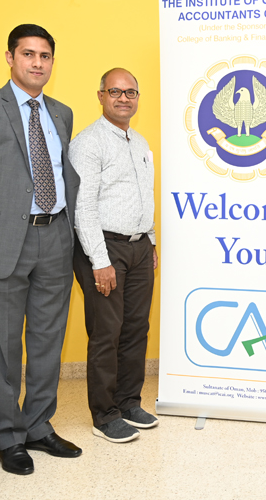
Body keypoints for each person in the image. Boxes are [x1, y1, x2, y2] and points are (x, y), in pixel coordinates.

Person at [0, 24, 82, 476]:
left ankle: (39, 425)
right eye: (28, 54)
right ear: (10, 58)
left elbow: (62, 174)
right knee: (4, 346)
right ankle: (8, 436)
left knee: (48, 339)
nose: (37, 63)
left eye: (45, 56)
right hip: (4, 243)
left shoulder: (61, 113)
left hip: (55, 237)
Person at [70, 68, 158, 443]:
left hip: (138, 247)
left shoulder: (138, 142)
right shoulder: (88, 143)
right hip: (104, 247)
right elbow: (83, 207)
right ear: (101, 96)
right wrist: (99, 260)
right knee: (107, 332)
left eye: (130, 92)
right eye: (115, 92)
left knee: (136, 328)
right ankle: (104, 415)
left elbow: (143, 195)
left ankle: (127, 402)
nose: (124, 98)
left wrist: (150, 240)